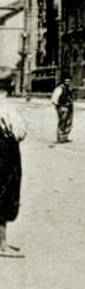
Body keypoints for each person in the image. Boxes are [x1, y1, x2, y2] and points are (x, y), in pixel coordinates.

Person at [0, 97, 27, 257]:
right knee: (5, 194)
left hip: (6, 147)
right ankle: (2, 245)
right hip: (4, 150)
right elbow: (18, 130)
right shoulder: (3, 105)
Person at [51, 75, 74, 144]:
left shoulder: (69, 88)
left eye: (69, 81)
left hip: (69, 106)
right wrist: (58, 107)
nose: (68, 82)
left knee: (68, 122)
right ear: (64, 81)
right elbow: (54, 99)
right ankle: (60, 138)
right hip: (62, 106)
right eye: (66, 81)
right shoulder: (60, 88)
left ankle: (65, 137)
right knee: (62, 122)